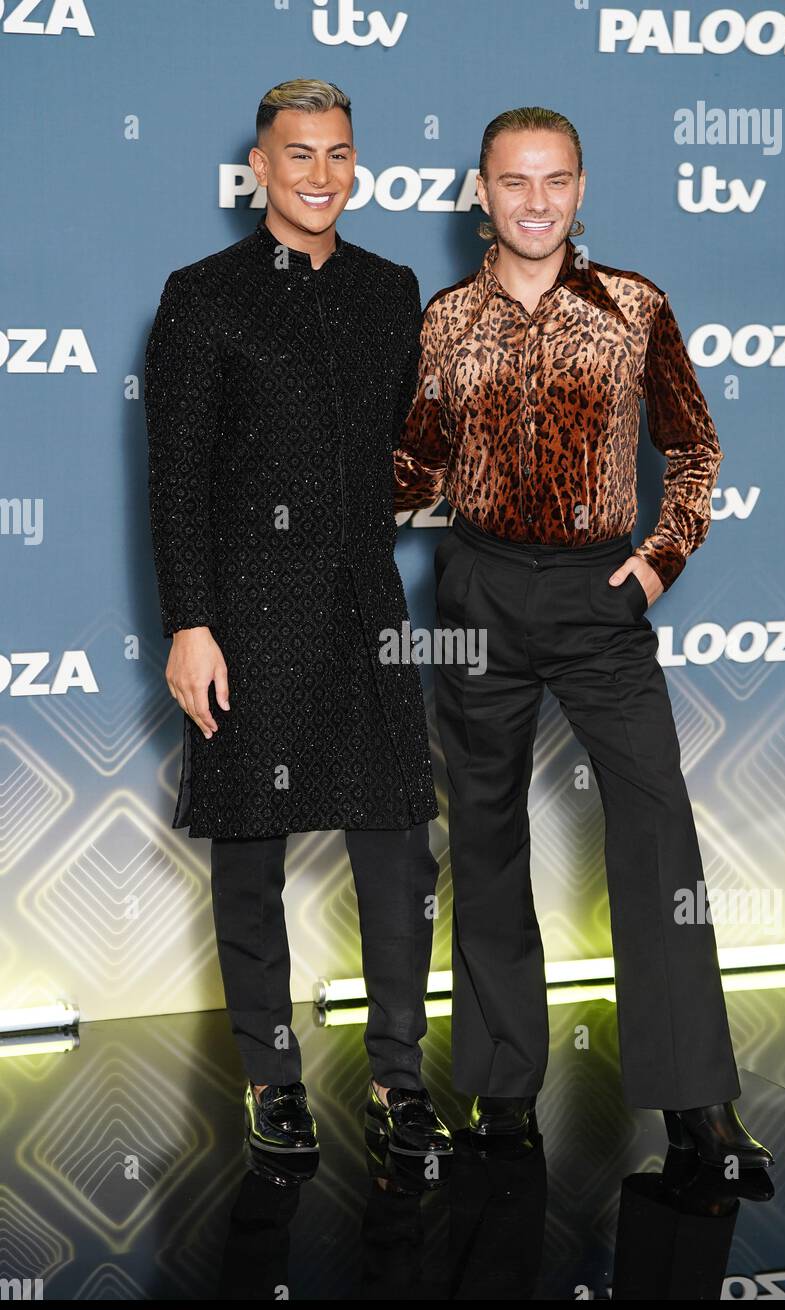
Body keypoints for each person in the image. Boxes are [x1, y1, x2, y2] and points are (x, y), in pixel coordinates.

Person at [393, 106, 773, 1170]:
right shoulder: (441, 321)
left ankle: (695, 1100)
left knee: (655, 829)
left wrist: (657, 561)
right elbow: (416, 465)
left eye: (553, 180)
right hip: (475, 589)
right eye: (513, 182)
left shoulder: (633, 308)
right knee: (482, 832)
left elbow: (692, 450)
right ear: (479, 191)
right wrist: (324, 502)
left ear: (580, 186)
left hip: (596, 595)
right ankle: (502, 1088)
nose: (534, 202)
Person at [144, 78, 451, 1160]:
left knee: (399, 855)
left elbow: (420, 450)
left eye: (338, 154)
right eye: (299, 155)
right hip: (244, 610)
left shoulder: (391, 287)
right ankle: (272, 1077)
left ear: (354, 163)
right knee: (248, 853)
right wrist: (191, 622)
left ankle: (398, 1081)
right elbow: (176, 477)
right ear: (260, 170)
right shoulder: (202, 294)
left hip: (362, 602)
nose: (321, 175)